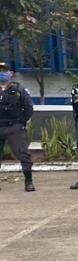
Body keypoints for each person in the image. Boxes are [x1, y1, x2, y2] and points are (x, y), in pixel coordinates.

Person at [0, 61, 35, 192]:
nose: (1, 73)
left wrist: (21, 122)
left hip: (14, 127)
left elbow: (28, 108)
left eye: (4, 71)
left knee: (23, 154)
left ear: (11, 73)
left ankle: (28, 182)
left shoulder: (19, 89)